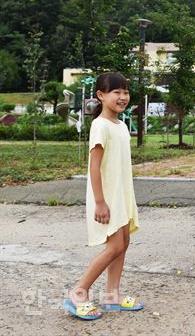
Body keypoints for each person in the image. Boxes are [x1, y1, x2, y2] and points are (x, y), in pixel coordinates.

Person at [63, 72, 143, 320]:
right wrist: (99, 201)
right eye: (116, 92)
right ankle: (77, 293)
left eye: (125, 92)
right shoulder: (100, 126)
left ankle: (112, 296)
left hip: (122, 195)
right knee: (114, 246)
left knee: (124, 243)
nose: (122, 97)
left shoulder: (120, 125)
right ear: (101, 95)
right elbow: (94, 167)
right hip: (106, 197)